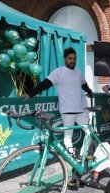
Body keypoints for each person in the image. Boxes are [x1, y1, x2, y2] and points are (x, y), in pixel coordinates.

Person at [21, 47, 94, 186]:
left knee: (90, 134)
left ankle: (84, 161)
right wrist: (30, 94)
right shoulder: (59, 72)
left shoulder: (78, 72)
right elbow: (45, 85)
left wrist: (90, 92)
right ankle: (76, 162)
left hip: (81, 110)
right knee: (67, 138)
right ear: (65, 59)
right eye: (69, 58)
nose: (72, 61)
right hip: (67, 112)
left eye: (74, 59)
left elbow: (84, 85)